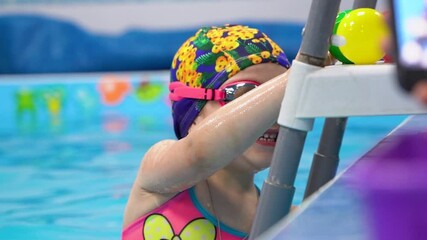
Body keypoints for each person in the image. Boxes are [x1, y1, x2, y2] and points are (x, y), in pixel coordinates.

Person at [122, 24, 292, 239]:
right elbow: (198, 154)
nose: (271, 114)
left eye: (280, 101)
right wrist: (292, 80)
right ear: (193, 113)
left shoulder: (281, 218)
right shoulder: (159, 177)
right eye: (243, 94)